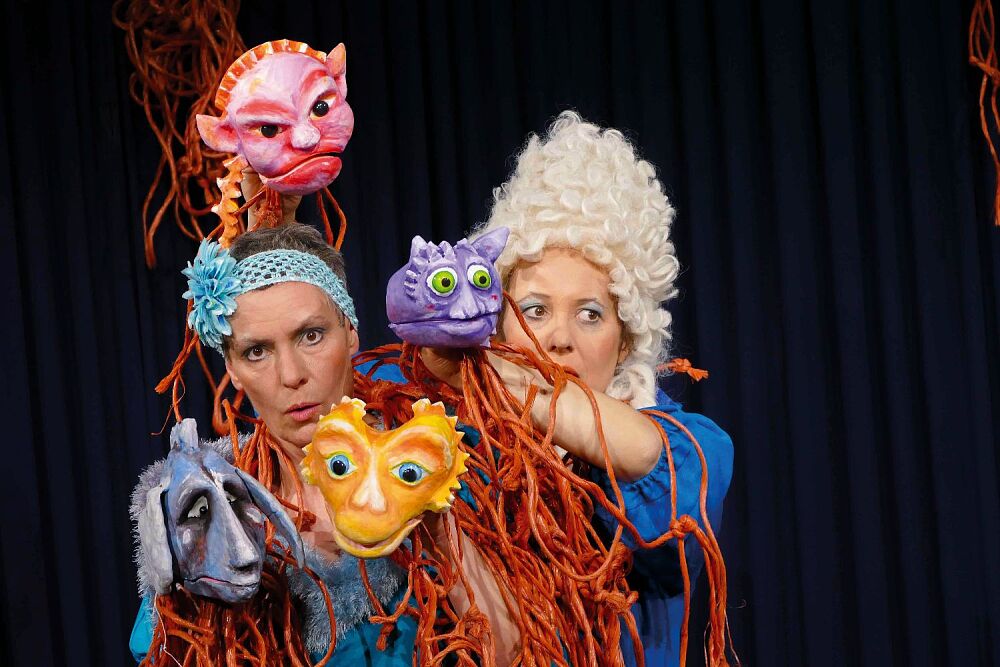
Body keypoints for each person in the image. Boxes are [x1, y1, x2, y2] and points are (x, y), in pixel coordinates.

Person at [130, 222, 517, 665]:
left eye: (310, 335)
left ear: (350, 331)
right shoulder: (210, 507)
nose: (291, 374)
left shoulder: (444, 458)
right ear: (232, 370)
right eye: (257, 351)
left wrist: (438, 527)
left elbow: (513, 652)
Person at [429, 111, 734, 666]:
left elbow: (655, 467)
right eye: (535, 309)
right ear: (498, 319)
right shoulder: (449, 441)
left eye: (590, 314)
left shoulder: (692, 450)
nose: (559, 338)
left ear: (625, 340)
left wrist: (485, 367)